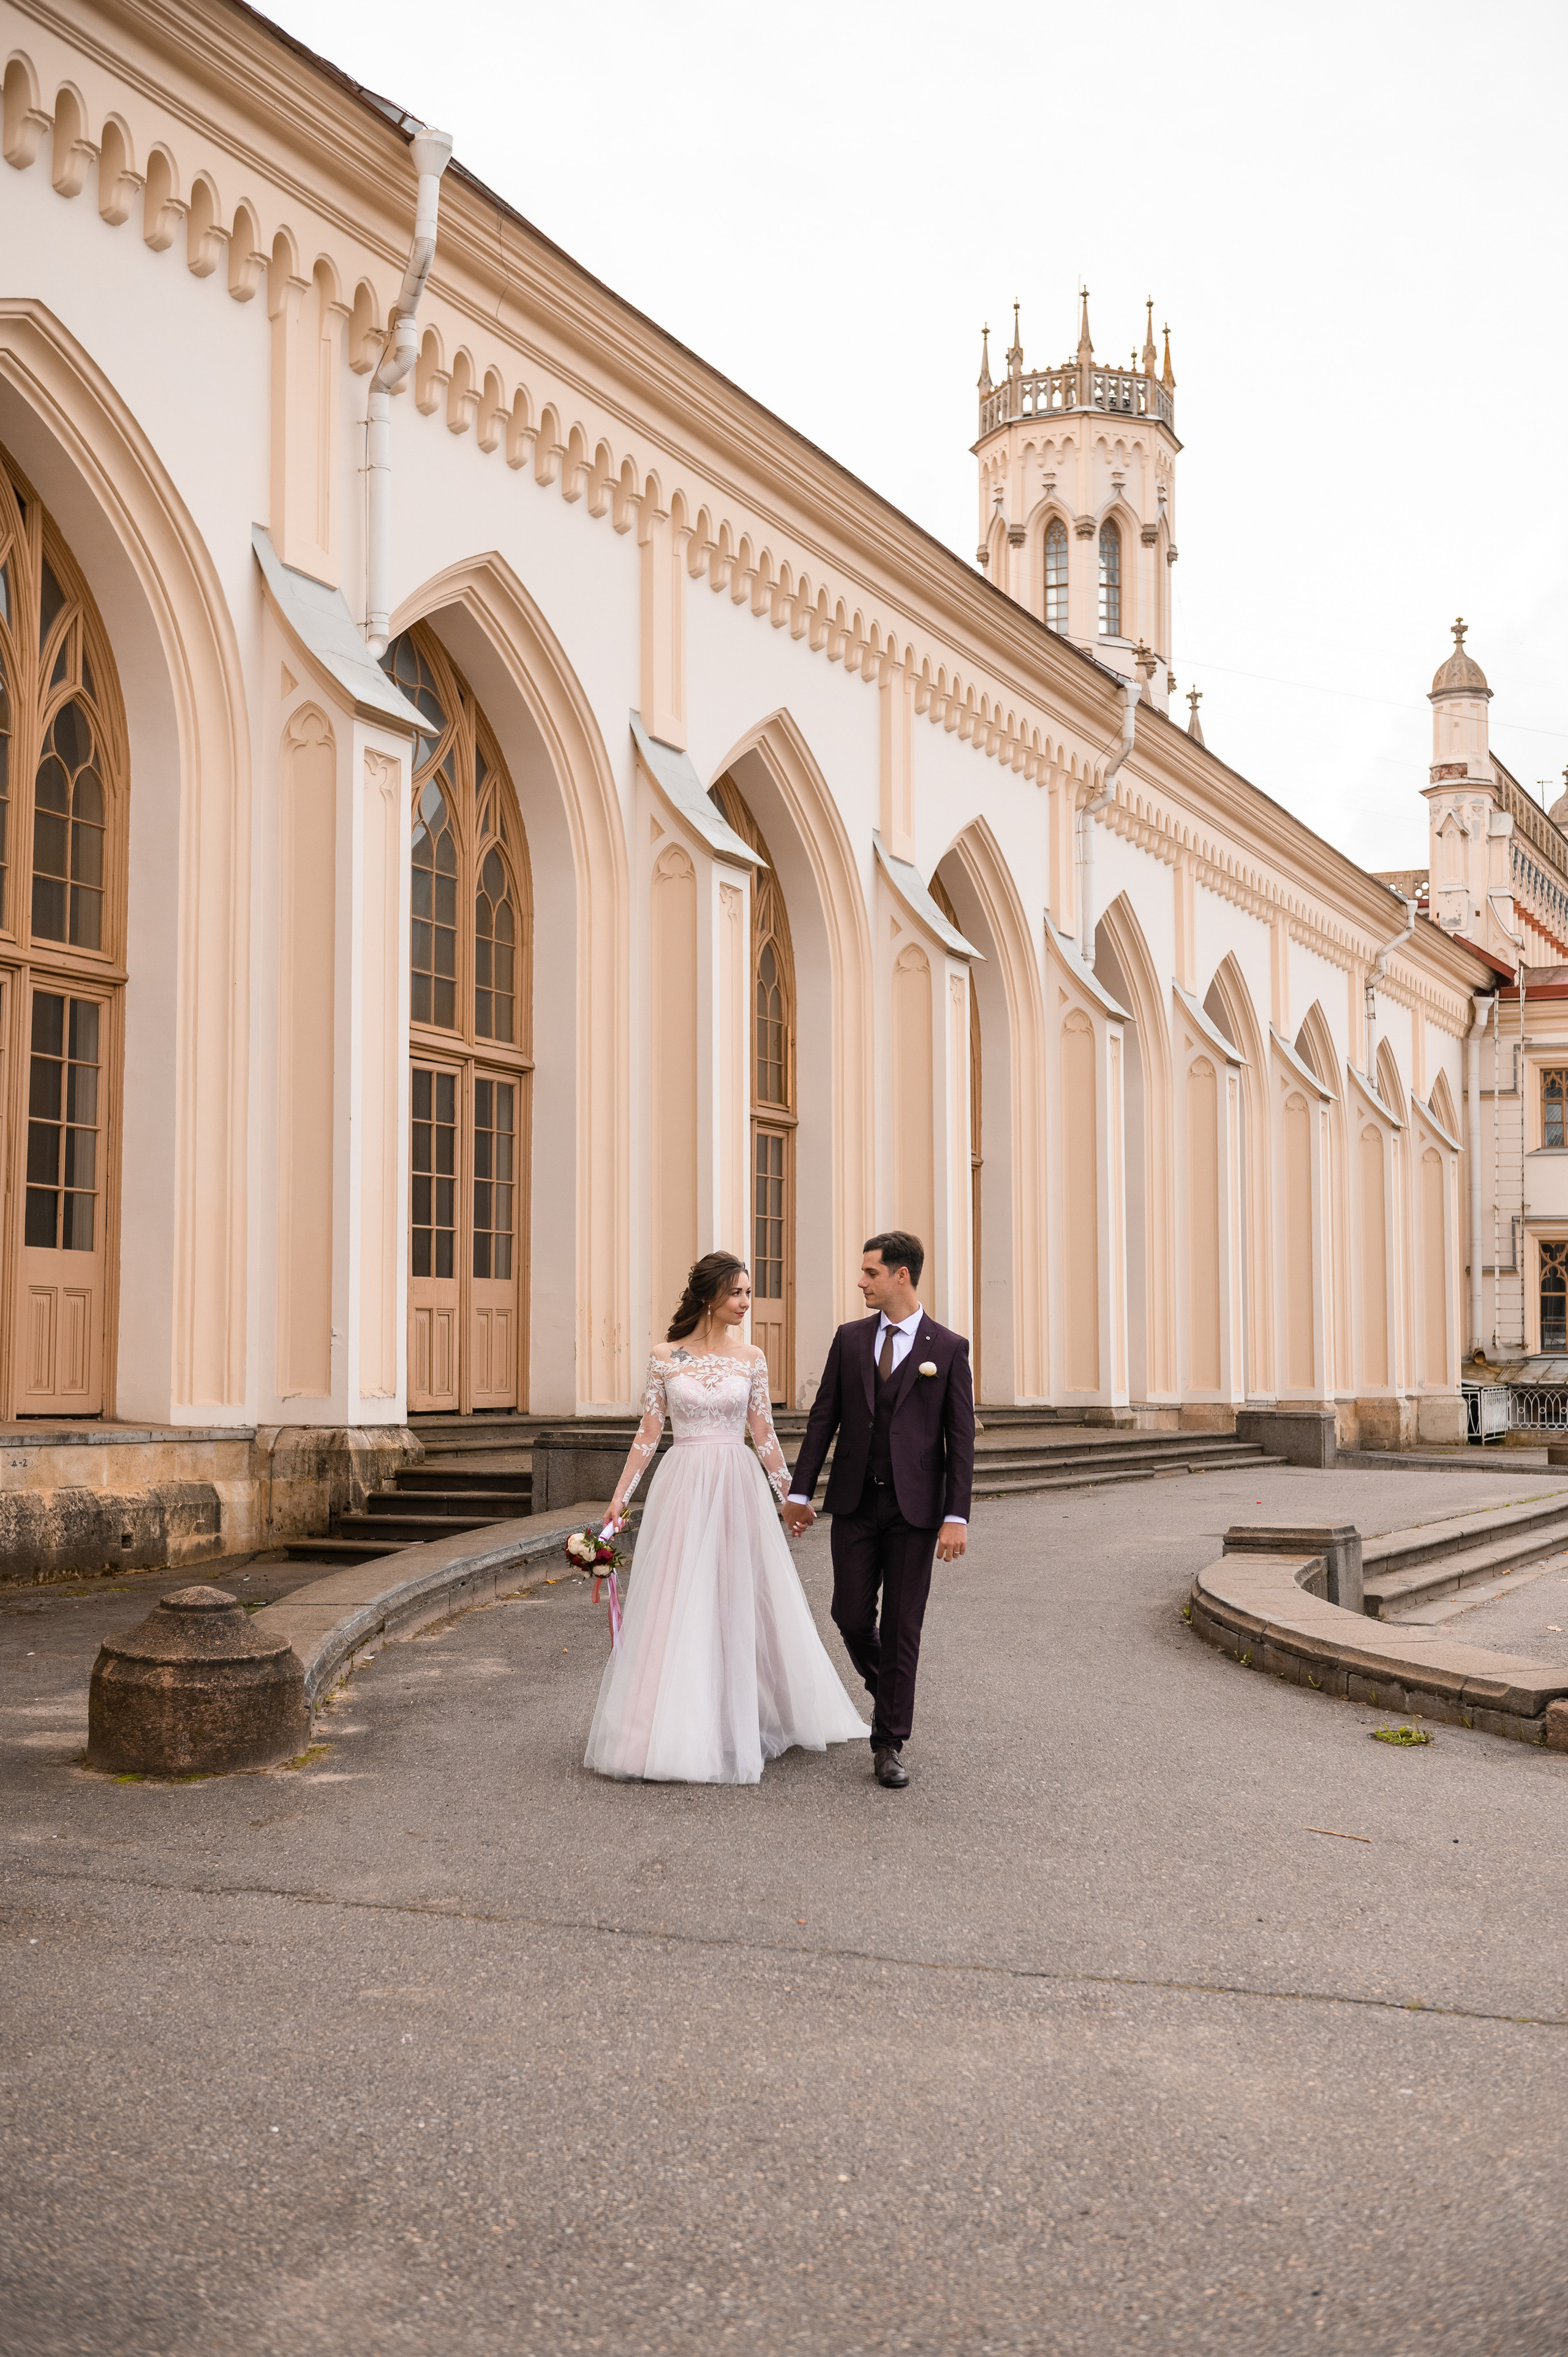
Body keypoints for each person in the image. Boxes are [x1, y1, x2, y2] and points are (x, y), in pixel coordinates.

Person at [584, 1250, 868, 1784]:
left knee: (742, 1595)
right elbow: (649, 1433)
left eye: (747, 1294)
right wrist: (620, 1498)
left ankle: (754, 1714)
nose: (744, 1303)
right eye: (736, 1292)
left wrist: (792, 1496)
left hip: (738, 1485)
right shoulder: (665, 1356)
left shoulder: (752, 1357)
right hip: (684, 1482)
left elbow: (763, 1434)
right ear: (709, 1296)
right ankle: (673, 1726)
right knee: (681, 1599)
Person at [784, 1231, 974, 1788]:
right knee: (848, 1614)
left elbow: (960, 1441)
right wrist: (800, 1492)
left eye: (870, 1272)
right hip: (855, 1502)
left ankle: (888, 1740)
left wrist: (956, 1515)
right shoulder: (849, 1340)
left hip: (916, 1510)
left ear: (901, 1276)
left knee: (902, 1625)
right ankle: (890, 1687)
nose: (861, 1282)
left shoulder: (948, 1347)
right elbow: (824, 1419)